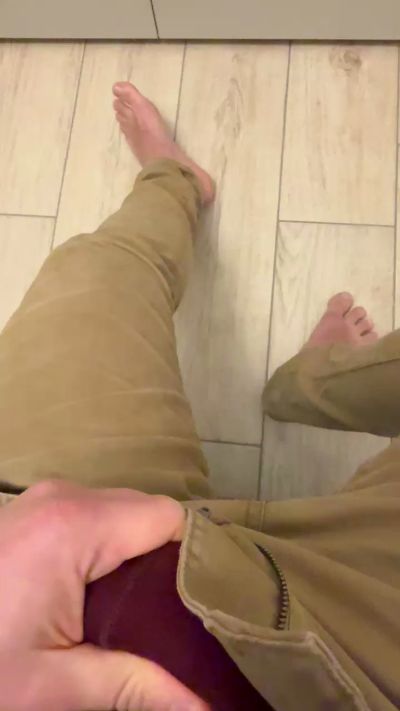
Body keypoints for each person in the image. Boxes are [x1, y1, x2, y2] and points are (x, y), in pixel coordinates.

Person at [0, 81, 399, 711]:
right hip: (361, 605)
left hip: (58, 547)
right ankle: (306, 382)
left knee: (95, 275)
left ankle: (174, 182)